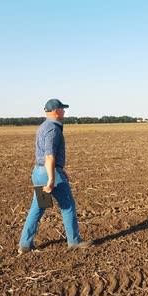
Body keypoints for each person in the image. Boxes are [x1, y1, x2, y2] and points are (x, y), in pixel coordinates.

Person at [18, 98, 92, 254]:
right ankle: (74, 241)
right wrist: (52, 178)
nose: (64, 111)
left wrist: (60, 169)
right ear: (56, 111)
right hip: (49, 173)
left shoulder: (43, 126)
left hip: (38, 172)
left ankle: (25, 244)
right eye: (62, 109)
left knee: (38, 207)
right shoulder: (53, 129)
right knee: (68, 206)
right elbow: (49, 156)